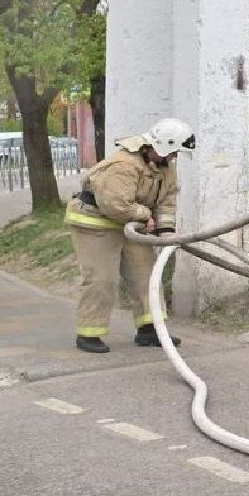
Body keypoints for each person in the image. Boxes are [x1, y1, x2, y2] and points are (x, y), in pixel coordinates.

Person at [64, 118, 194, 354]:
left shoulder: (165, 168)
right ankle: (89, 333)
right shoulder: (123, 165)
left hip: (132, 224)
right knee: (102, 278)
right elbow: (115, 204)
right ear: (162, 146)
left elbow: (167, 199)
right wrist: (145, 215)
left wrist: (166, 232)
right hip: (96, 223)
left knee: (145, 275)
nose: (175, 157)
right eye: (174, 151)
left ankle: (150, 329)